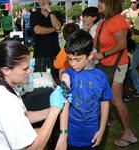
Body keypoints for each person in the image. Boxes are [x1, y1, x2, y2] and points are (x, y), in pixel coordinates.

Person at [0, 40, 67, 150]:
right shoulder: (4, 100)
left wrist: (51, 110)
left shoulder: (3, 85)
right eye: (25, 68)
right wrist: (55, 110)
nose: (30, 71)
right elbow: (33, 148)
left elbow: (26, 116)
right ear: (6, 70)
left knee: (38, 132)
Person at [55, 30, 113, 150]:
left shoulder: (100, 77)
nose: (72, 64)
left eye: (77, 60)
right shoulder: (67, 74)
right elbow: (64, 97)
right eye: (70, 59)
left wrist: (102, 130)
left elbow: (105, 102)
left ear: (90, 56)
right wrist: (64, 134)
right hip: (71, 135)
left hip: (92, 134)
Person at [95, 0, 138, 147]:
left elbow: (122, 45)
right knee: (103, 95)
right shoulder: (104, 20)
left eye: (101, 2)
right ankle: (106, 120)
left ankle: (128, 133)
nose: (98, 5)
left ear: (110, 4)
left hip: (117, 65)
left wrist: (103, 54)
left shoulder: (118, 21)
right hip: (106, 65)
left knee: (115, 99)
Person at [30, 0, 63, 79]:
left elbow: (58, 26)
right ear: (38, 1)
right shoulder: (34, 14)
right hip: (40, 52)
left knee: (57, 78)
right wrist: (54, 29)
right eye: (41, 0)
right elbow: (37, 30)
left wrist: (50, 12)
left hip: (54, 51)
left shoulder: (56, 14)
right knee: (40, 78)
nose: (43, 1)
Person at [130, 14, 139, 97]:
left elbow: (136, 30)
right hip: (135, 45)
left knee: (133, 67)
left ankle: (138, 88)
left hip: (137, 45)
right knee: (133, 67)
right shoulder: (137, 18)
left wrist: (132, 29)